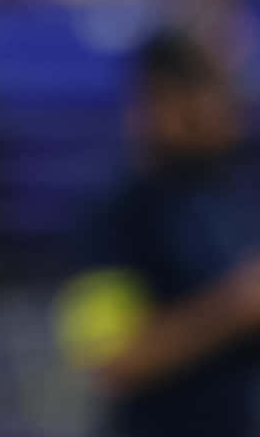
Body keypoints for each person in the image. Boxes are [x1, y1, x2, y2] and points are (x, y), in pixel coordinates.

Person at [57, 28, 260, 437]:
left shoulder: (240, 179)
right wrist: (233, 308)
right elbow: (110, 359)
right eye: (210, 95)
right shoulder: (116, 210)